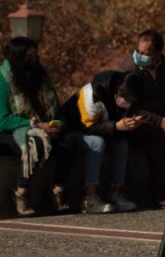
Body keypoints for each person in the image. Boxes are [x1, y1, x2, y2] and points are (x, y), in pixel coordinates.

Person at [57, 71, 145, 214]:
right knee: (96, 142)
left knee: (121, 143)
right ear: (117, 90)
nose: (127, 103)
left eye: (131, 100)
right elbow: (88, 127)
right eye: (126, 99)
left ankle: (116, 193)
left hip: (100, 129)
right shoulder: (92, 95)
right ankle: (90, 198)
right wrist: (116, 126)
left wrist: (133, 121)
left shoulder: (125, 93)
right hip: (73, 132)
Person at [0, 37, 69, 216]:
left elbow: (56, 110)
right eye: (28, 57)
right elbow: (3, 120)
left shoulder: (40, 75)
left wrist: (57, 125)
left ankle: (56, 188)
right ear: (17, 58)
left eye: (35, 55)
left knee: (69, 140)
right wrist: (35, 125)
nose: (34, 60)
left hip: (42, 127)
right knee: (36, 143)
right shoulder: (4, 79)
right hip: (12, 130)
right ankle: (21, 191)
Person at [119, 29, 165, 209]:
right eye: (138, 52)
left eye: (146, 54)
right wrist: (159, 121)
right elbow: (127, 106)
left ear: (158, 53)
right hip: (137, 122)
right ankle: (160, 193)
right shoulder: (129, 69)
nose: (140, 56)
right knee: (156, 136)